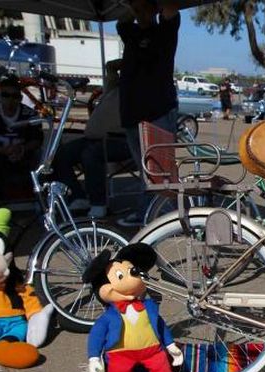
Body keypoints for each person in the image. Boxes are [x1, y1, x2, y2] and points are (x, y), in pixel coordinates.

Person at [116, 0, 180, 227]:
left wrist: (155, 5)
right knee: (144, 168)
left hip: (159, 110)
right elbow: (122, 19)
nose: (141, 12)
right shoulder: (130, 32)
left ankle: (169, 215)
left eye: (145, 7)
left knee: (161, 168)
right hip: (132, 113)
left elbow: (172, 12)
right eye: (138, 8)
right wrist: (133, 7)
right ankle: (149, 214)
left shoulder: (165, 31)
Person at [52, 59, 130, 218]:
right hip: (93, 139)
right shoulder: (112, 89)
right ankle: (78, 196)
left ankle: (98, 203)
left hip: (120, 141)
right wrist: (130, 60)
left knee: (91, 154)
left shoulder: (137, 93)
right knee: (60, 153)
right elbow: (111, 66)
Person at [0, 75, 43, 207]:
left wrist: (22, 149)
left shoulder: (30, 114)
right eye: (6, 95)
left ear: (20, 98)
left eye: (14, 96)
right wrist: (3, 151)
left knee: (43, 156)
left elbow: (37, 140)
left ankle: (40, 200)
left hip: (23, 155)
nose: (10, 100)